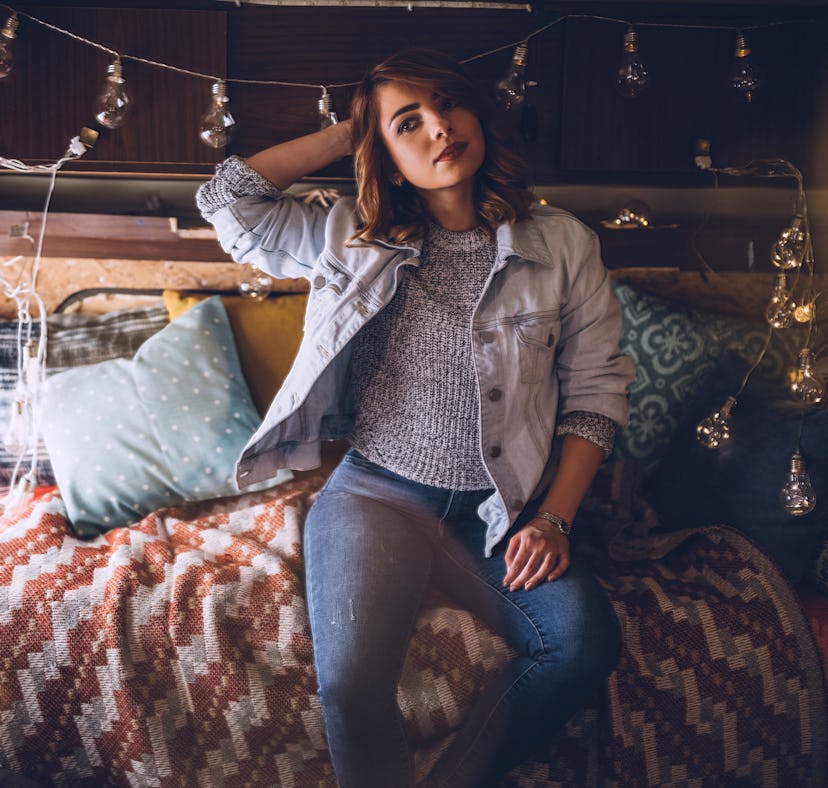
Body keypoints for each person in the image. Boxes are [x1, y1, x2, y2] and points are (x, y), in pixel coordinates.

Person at [196, 47, 634, 788]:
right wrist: (351, 130)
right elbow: (227, 202)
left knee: (585, 647)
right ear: (387, 155)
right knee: (350, 684)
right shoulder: (346, 234)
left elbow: (597, 392)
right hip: (379, 496)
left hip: (501, 512)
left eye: (446, 104)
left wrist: (554, 519)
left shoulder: (562, 243)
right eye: (409, 123)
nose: (439, 126)